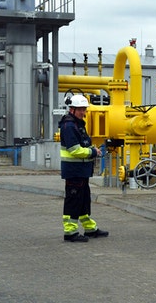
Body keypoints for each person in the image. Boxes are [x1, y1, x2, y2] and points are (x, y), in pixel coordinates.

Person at [59, 94, 109, 242]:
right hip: (74, 171)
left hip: (81, 170)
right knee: (73, 201)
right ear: (72, 109)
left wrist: (92, 149)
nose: (83, 112)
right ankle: (70, 232)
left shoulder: (78, 124)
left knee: (83, 200)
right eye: (80, 109)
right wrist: (93, 152)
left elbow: (82, 145)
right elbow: (74, 149)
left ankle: (89, 229)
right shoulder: (69, 126)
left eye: (84, 109)